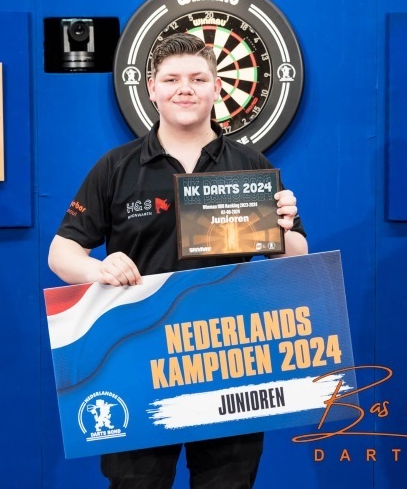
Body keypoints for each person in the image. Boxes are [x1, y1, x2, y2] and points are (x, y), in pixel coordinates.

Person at [48, 32, 308, 489]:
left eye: (197, 78)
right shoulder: (117, 167)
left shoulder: (250, 164)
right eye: (171, 79)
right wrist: (97, 269)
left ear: (216, 88)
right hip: (137, 359)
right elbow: (60, 252)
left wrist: (286, 229)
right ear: (151, 88)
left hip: (228, 362)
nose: (184, 88)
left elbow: (294, 260)